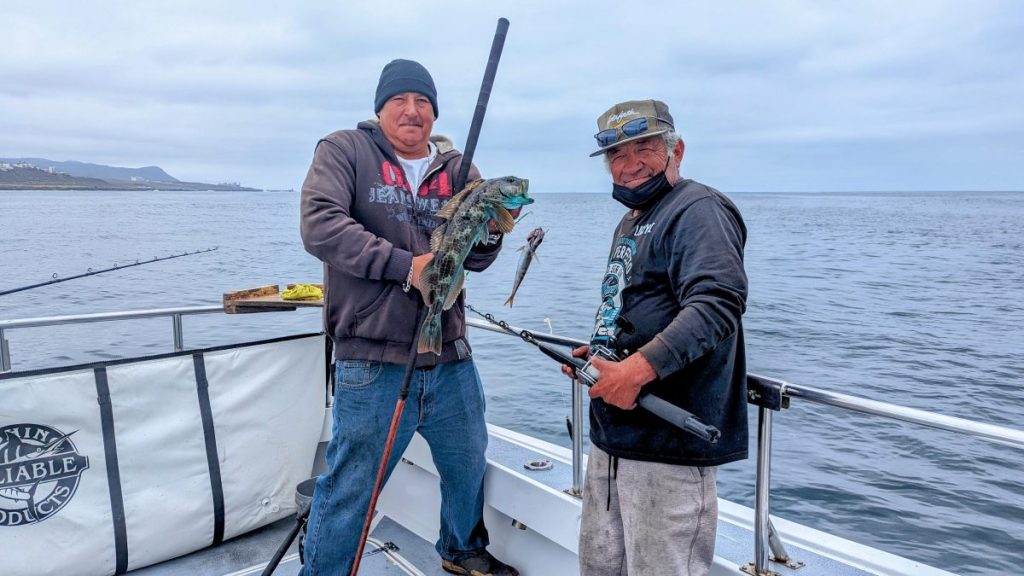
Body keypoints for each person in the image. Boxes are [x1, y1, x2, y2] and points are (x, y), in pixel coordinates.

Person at [299, 58, 519, 576]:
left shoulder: (461, 171)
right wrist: (407, 267)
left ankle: (461, 550)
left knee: (467, 465)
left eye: (423, 102)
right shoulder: (345, 151)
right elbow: (320, 226)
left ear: (434, 112)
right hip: (374, 360)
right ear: (380, 108)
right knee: (353, 486)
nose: (412, 110)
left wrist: (491, 230)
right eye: (400, 100)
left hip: (450, 357)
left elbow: (480, 258)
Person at [565, 99, 749, 576]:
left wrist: (635, 371)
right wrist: (602, 355)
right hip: (614, 440)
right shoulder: (632, 219)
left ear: (677, 150)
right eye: (617, 156)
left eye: (643, 149)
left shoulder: (698, 209)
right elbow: (635, 305)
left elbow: (717, 302)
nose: (629, 167)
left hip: (669, 448)